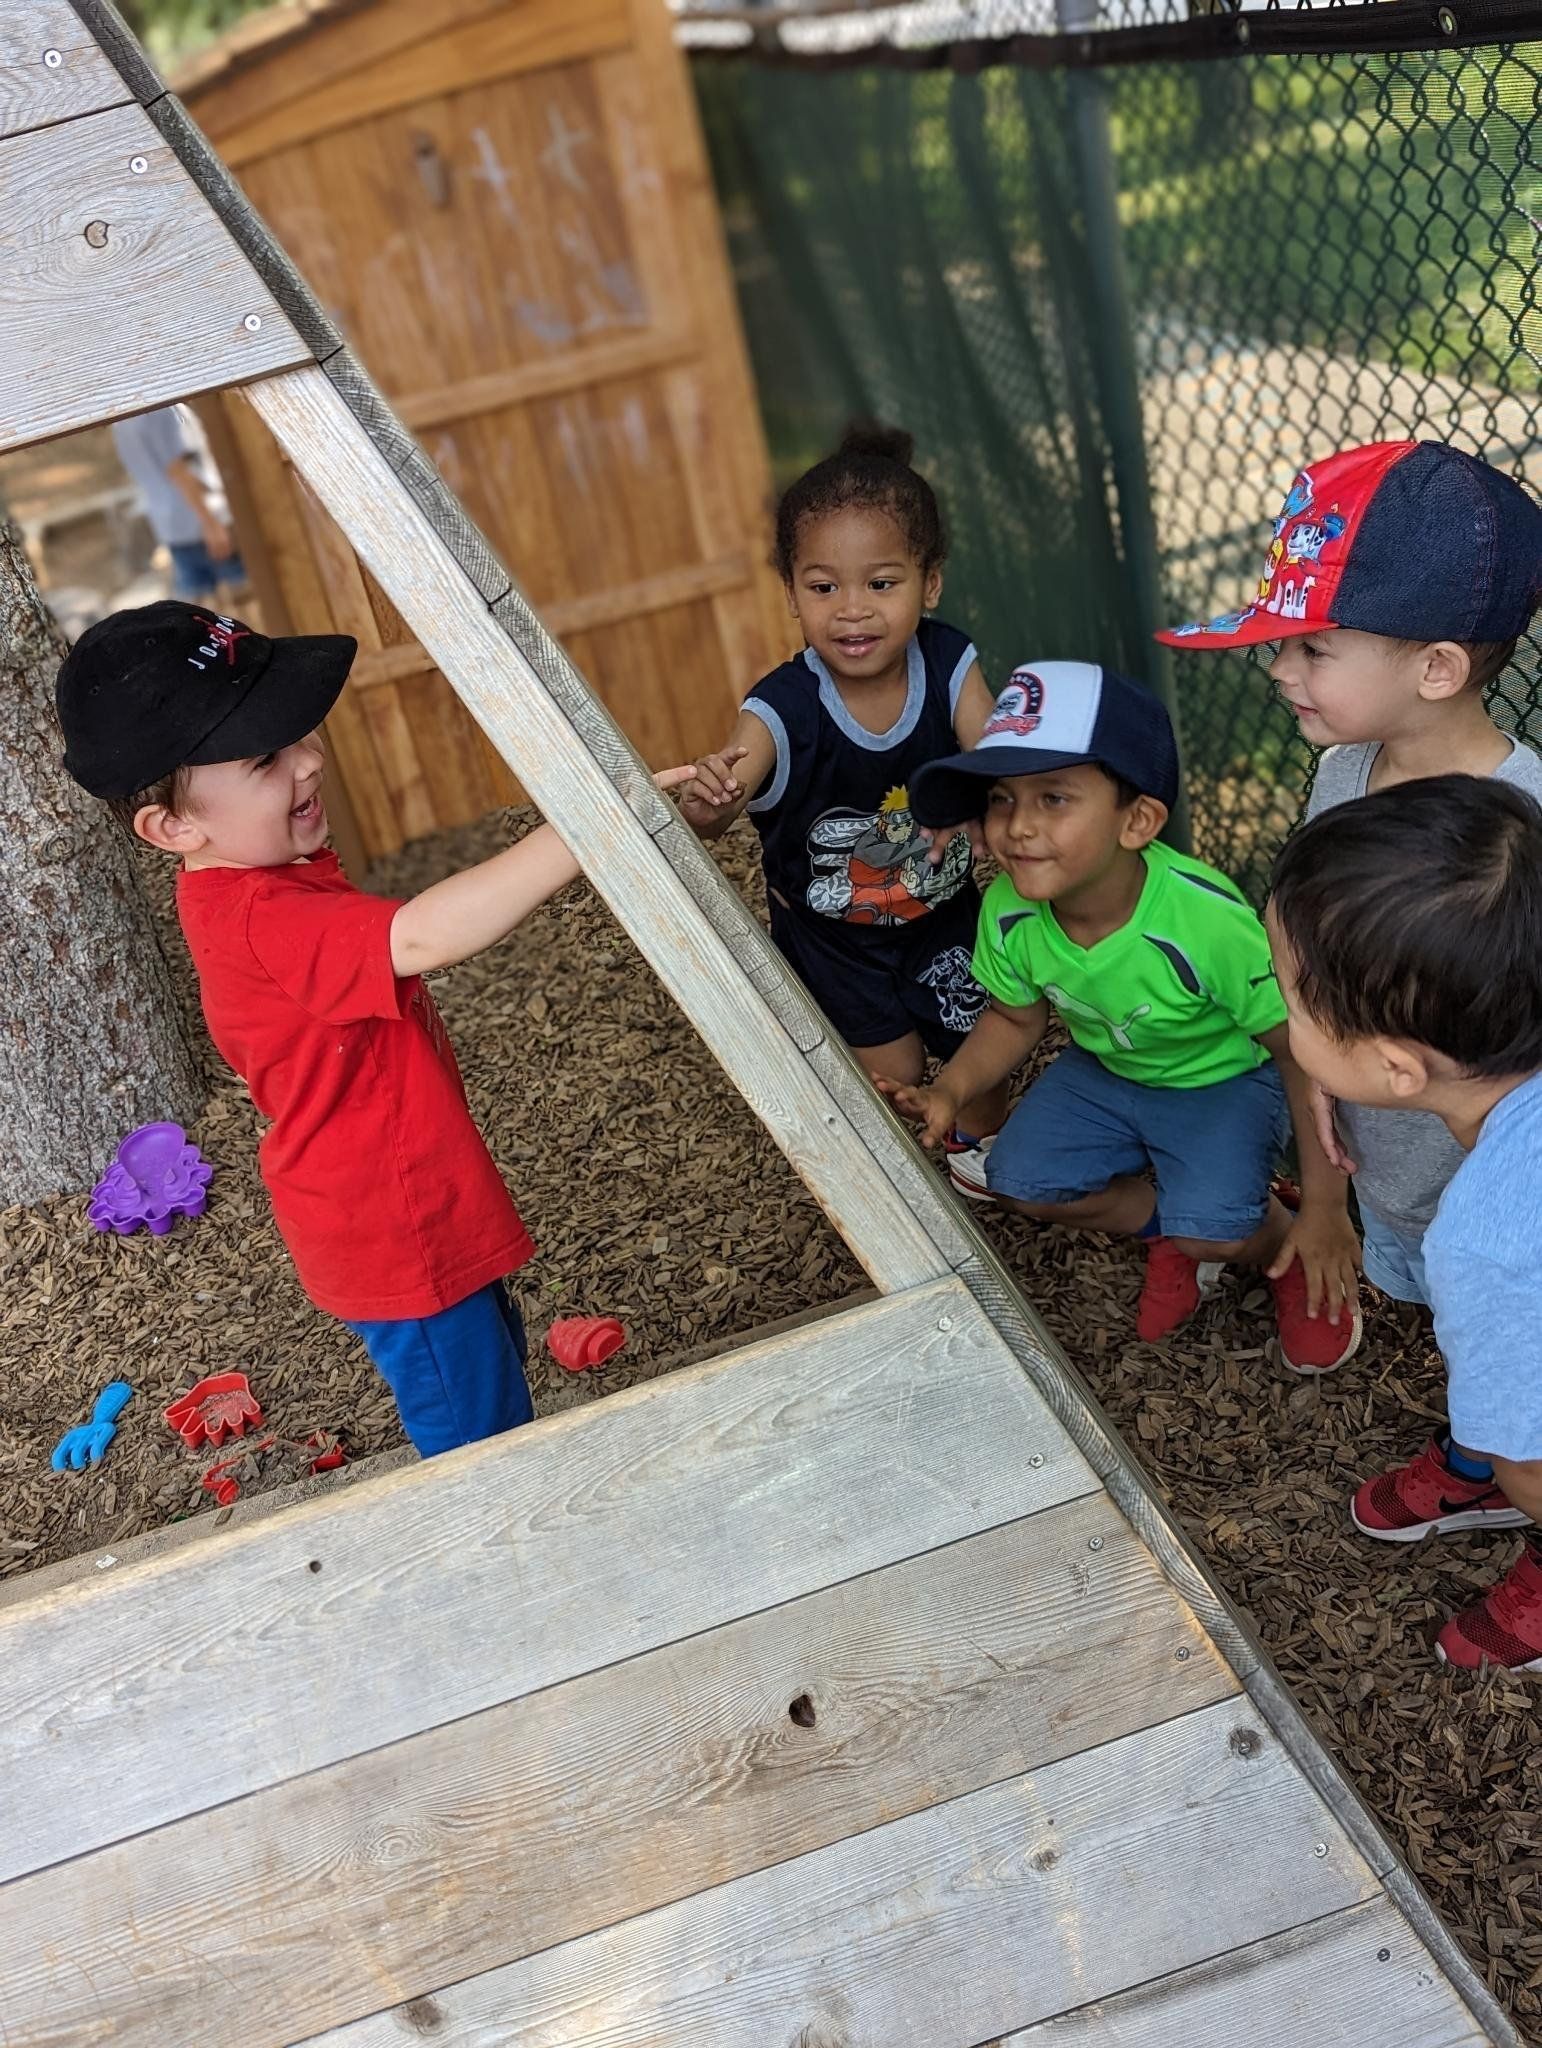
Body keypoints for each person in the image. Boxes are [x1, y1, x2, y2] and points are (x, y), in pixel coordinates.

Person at [54, 599, 689, 1459]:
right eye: (270, 757)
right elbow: (423, 933)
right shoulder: (258, 915)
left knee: (494, 1405)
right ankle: (504, 1574)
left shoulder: (267, 875)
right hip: (397, 1231)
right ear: (174, 827)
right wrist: (587, 828)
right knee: (479, 1456)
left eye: (301, 736)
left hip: (413, 1205)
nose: (311, 761)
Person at [880, 661, 1359, 1372]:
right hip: (1109, 1070)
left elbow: (1298, 1054)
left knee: (1220, 1229)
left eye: (1054, 798)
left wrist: (1326, 1208)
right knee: (1018, 1180)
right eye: (1002, 799)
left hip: (1224, 1079)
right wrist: (949, 1091)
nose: (1017, 827)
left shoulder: (1204, 921)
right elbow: (1015, 1020)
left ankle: (1279, 1245)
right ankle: (1177, 1229)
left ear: (1137, 820)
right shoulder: (1011, 911)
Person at [1157, 439, 1542, 1317]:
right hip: (1382, 1163)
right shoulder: (1345, 772)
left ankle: (1479, 1461)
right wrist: (1328, 1164)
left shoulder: (1530, 823)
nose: (1280, 670)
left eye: (1314, 649)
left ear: (1436, 668)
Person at [676, 423, 1007, 1196]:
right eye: (825, 588)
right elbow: (728, 788)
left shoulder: (951, 664)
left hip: (943, 911)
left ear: (930, 586)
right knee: (889, 1075)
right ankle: (898, 1187)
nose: (852, 611)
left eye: (881, 584)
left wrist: (989, 799)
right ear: (791, 593)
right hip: (831, 937)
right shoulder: (782, 707)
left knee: (979, 1052)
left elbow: (992, 750)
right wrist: (711, 798)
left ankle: (980, 1156)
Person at [1268, 776, 1542, 1669]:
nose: (1279, 1015)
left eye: (1292, 1003)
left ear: (1396, 1071)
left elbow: (1529, 1448)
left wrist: (1516, 1473)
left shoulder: (1484, 1246)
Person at [112, 404, 248, 605]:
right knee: (243, 599)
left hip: (170, 525)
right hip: (199, 519)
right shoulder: (161, 410)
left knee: (201, 608)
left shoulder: (119, 420)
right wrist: (211, 524)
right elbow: (179, 470)